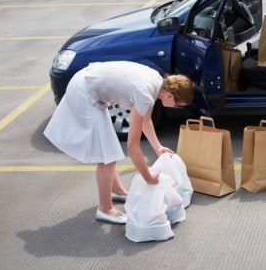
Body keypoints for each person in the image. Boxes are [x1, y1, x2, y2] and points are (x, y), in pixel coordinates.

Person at [44, 61, 194, 224]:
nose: (176, 108)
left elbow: (146, 121)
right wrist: (148, 177)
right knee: (107, 156)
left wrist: (158, 147)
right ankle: (105, 209)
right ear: (171, 96)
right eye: (178, 105)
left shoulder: (156, 82)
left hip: (89, 82)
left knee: (109, 150)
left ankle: (117, 190)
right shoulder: (144, 94)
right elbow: (132, 146)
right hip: (84, 91)